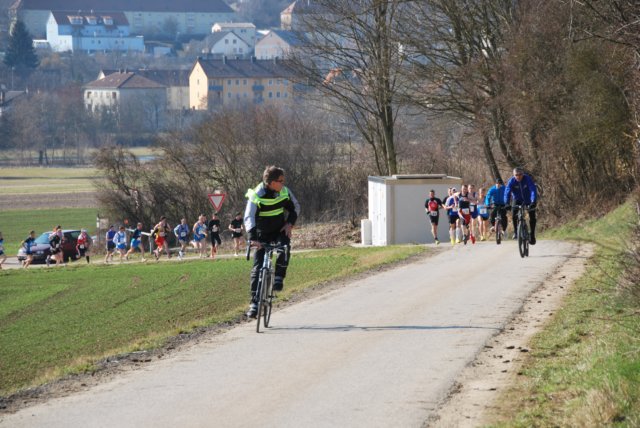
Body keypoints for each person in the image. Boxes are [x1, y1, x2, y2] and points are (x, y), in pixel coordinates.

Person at [244, 166, 300, 318]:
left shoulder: (284, 191)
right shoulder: (256, 194)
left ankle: (278, 278)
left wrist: (289, 223)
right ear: (271, 182)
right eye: (281, 181)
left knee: (284, 249)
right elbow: (249, 217)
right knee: (257, 267)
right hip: (262, 234)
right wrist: (253, 238)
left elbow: (295, 208)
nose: (284, 183)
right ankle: (254, 303)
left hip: (279, 230)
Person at [504, 167, 538, 245]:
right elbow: (507, 192)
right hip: (517, 200)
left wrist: (533, 201)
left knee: (532, 216)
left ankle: (532, 234)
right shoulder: (511, 181)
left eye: (520, 174)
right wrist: (506, 203)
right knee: (514, 215)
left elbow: (532, 189)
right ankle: (516, 232)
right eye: (516, 175)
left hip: (528, 200)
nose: (518, 176)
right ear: (514, 175)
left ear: (523, 174)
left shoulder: (527, 179)